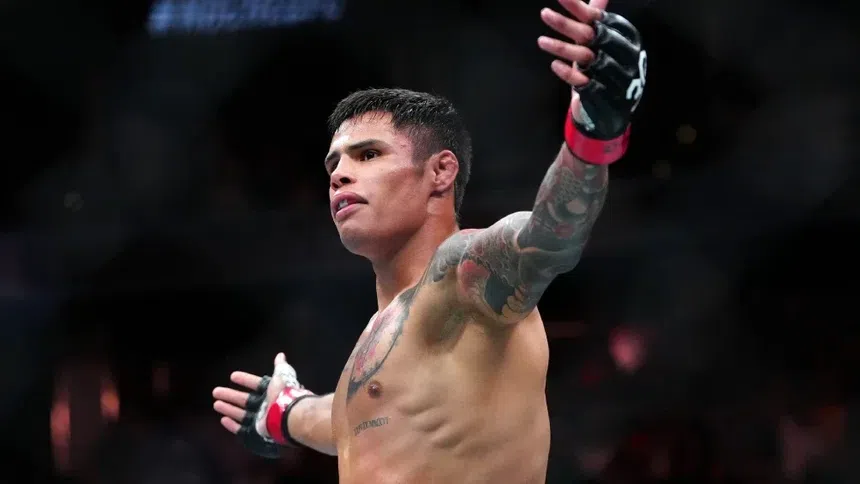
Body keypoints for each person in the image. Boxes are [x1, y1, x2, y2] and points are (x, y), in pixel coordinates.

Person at [212, 0, 647, 481]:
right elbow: (343, 420)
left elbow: (550, 236)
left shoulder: (459, 278)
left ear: (440, 171)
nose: (339, 175)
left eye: (368, 154)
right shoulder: (374, 346)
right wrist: (283, 413)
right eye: (334, 164)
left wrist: (593, 132)